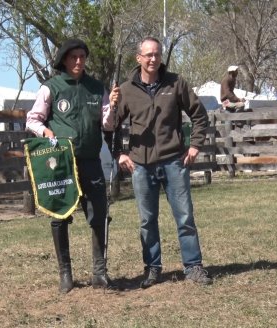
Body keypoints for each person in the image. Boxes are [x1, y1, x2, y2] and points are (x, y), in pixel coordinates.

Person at [114, 36, 212, 288]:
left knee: (185, 217)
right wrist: (119, 153)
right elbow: (109, 126)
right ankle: (153, 268)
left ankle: (193, 267)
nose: (153, 59)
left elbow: (199, 115)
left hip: (174, 162)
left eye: (157, 54)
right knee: (147, 221)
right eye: (148, 55)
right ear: (139, 58)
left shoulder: (176, 83)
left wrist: (195, 145)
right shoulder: (126, 90)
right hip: (141, 166)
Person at [26, 38, 120, 293]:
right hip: (62, 163)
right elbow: (32, 119)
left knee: (99, 214)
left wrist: (112, 105)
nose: (79, 61)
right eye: (73, 57)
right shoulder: (51, 88)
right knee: (59, 214)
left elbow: (108, 124)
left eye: (82, 56)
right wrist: (45, 131)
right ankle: (65, 274)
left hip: (91, 159)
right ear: (64, 60)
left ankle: (99, 273)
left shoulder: (95, 87)